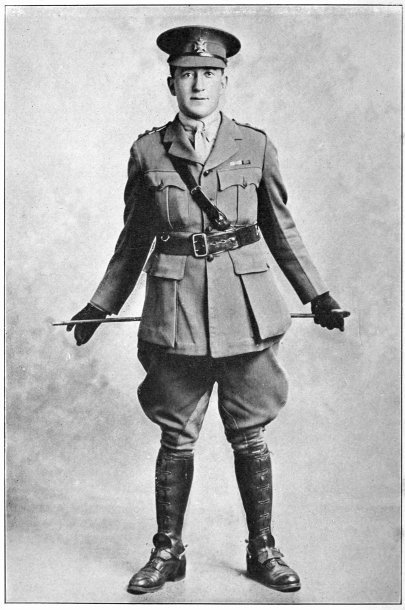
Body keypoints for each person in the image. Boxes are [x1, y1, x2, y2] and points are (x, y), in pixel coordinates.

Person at [67, 25, 347, 595]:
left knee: (250, 434)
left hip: (246, 309)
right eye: (187, 74)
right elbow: (133, 239)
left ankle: (263, 549)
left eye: (209, 74)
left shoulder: (255, 146)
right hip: (176, 314)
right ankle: (167, 552)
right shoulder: (148, 151)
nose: (198, 84)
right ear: (171, 82)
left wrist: (316, 294)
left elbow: (280, 228)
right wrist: (100, 304)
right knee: (176, 435)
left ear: (224, 81)